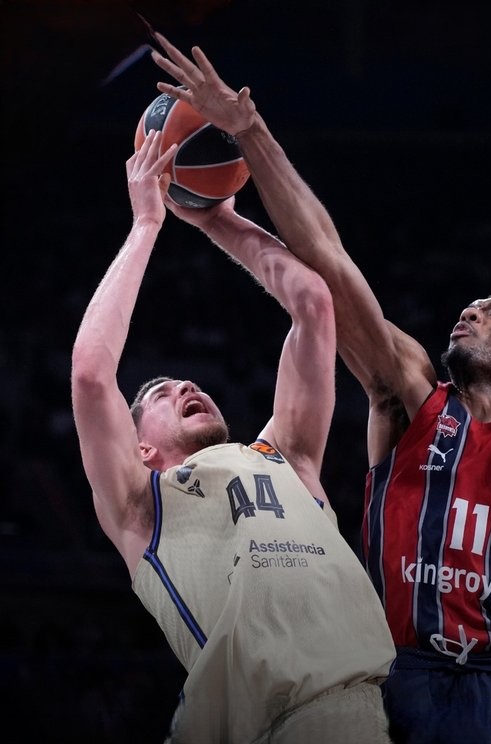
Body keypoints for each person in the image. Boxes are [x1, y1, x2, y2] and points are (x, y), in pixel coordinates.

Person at [149, 34, 491, 744]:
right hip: (397, 673)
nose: (470, 312)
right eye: (471, 306)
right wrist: (249, 132)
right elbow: (327, 263)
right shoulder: (411, 396)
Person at [70, 128, 397, 743]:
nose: (184, 385)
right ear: (141, 449)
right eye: (161, 394)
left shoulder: (287, 457)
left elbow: (313, 303)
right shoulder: (142, 505)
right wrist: (146, 224)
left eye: (182, 383)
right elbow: (91, 373)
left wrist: (217, 219)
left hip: (344, 712)